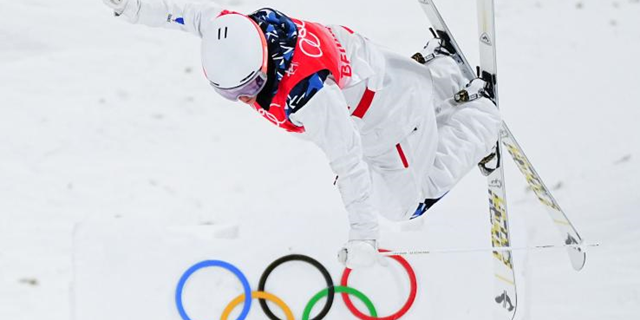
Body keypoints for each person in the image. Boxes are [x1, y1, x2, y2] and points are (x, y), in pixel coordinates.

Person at [102, 0, 502, 269]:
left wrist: (364, 236)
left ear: (259, 66)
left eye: (246, 88)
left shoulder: (308, 94)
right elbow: (182, 14)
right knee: (392, 103)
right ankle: (444, 73)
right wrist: (134, 7)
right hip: (391, 73)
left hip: (391, 120)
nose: (244, 99)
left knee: (406, 205)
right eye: (230, 94)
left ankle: (481, 121)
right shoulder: (238, 29)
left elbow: (347, 161)